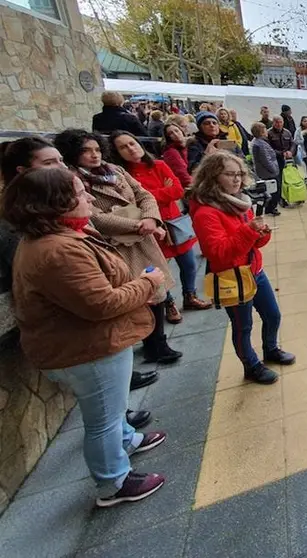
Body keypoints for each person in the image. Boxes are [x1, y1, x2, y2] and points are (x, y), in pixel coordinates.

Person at [3, 167, 168, 507]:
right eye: (80, 193)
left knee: (112, 410)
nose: (89, 198)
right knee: (104, 419)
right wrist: (149, 281)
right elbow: (102, 303)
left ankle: (127, 441)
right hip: (88, 349)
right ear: (53, 204)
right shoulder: (58, 250)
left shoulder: (57, 238)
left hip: (88, 343)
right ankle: (113, 483)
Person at [55, 129, 182, 366]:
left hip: (143, 239)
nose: (94, 155)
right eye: (86, 151)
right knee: (136, 294)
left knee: (156, 291)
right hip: (117, 246)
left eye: (96, 149)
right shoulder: (74, 181)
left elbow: (144, 195)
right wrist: (139, 225)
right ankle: (148, 344)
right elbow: (96, 217)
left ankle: (159, 343)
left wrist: (151, 220)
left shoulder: (115, 170)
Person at [188, 152, 294, 384]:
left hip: (255, 270)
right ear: (213, 176)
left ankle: (271, 349)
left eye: (239, 174)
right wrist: (248, 231)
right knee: (242, 326)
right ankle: (252, 365)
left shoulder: (240, 202)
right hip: (231, 276)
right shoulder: (206, 212)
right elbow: (218, 253)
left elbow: (254, 245)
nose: (236, 180)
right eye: (229, 174)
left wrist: (261, 234)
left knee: (273, 315)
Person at [109, 130, 211, 321]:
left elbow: (177, 190)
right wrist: (160, 192)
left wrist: (148, 195)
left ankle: (190, 295)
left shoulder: (159, 164)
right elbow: (134, 203)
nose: (130, 149)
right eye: (123, 147)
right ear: (116, 152)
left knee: (189, 264)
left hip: (174, 222)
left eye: (132, 143)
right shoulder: (122, 175)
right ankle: (169, 303)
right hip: (150, 227)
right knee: (158, 268)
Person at [160, 124, 193, 189]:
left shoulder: (190, 144)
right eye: (170, 133)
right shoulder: (170, 152)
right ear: (168, 137)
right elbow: (182, 175)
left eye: (176, 130)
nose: (175, 134)